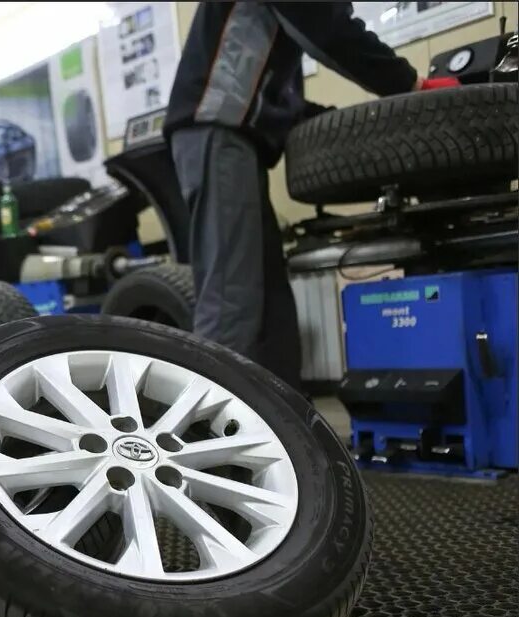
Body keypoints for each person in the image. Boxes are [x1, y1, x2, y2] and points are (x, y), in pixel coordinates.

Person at [165, 2, 456, 389]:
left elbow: (279, 95)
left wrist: (348, 122)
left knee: (270, 307)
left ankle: (286, 426)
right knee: (232, 301)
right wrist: (412, 84)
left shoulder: (273, 36)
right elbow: (330, 32)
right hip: (216, 132)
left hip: (229, 140)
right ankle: (207, 434)